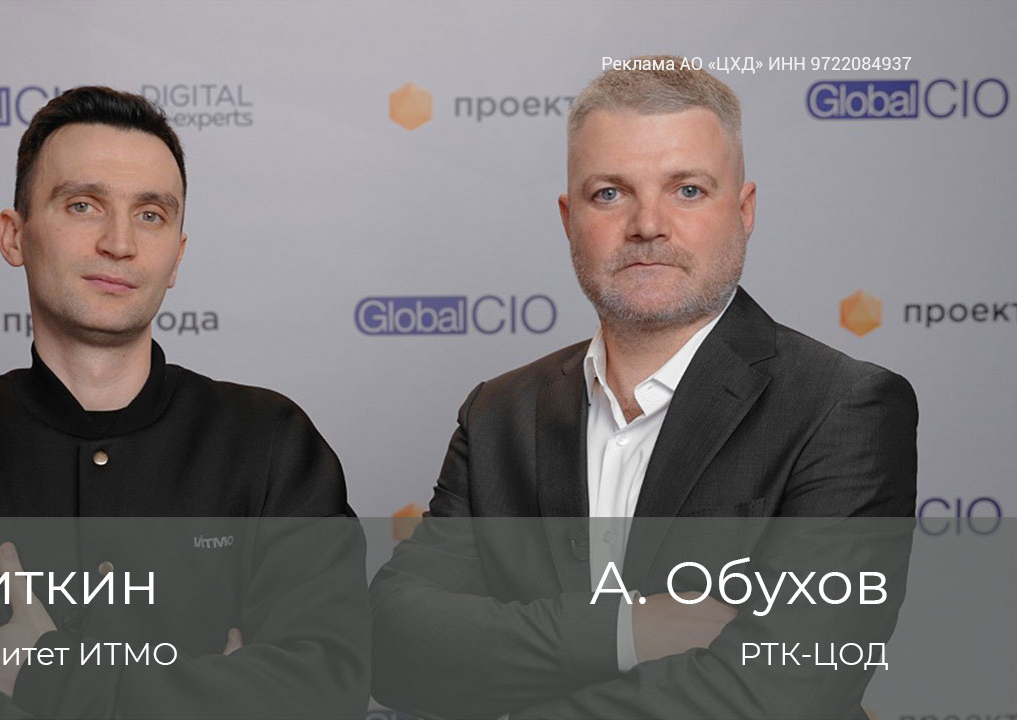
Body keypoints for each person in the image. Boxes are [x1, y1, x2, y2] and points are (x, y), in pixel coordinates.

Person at [370, 57, 917, 719]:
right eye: (610, 193)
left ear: (743, 211)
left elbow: (784, 686)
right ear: (569, 218)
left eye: (687, 190)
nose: (648, 224)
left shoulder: (844, 406)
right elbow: (394, 646)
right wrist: (624, 633)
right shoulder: (500, 414)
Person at [0, 86, 368, 719]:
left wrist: (45, 678)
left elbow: (324, 692)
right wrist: (220, 697)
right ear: (13, 236)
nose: (119, 242)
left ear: (176, 258)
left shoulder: (274, 447)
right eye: (83, 206)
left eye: (151, 215)